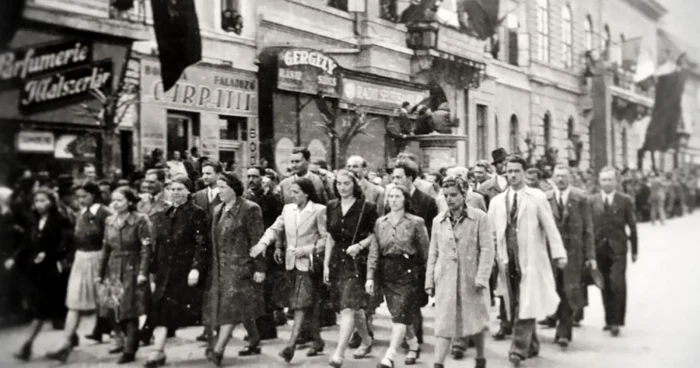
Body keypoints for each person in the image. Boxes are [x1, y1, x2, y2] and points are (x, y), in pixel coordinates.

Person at [487, 156, 567, 367]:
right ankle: (531, 344)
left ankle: (518, 350)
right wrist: (490, 260)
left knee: (527, 301)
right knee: (514, 304)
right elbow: (492, 235)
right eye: (509, 171)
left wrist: (559, 254)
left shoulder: (537, 197)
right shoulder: (497, 202)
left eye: (516, 171)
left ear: (523, 173)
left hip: (530, 260)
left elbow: (550, 227)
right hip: (507, 261)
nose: (512, 175)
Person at [250, 177, 328, 363]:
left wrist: (307, 249)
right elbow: (275, 228)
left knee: (301, 304)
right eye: (291, 192)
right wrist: (262, 243)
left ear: (307, 193)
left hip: (309, 264)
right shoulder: (287, 209)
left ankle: (290, 346)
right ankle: (317, 341)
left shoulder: (318, 210)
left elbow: (326, 239)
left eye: (296, 192)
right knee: (305, 304)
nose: (292, 196)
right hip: (291, 264)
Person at [426, 176, 494, 368]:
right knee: (444, 322)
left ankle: (480, 357)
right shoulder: (438, 221)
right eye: (446, 195)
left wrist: (481, 277)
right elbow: (433, 252)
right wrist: (429, 280)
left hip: (471, 278)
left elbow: (487, 250)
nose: (449, 199)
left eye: (454, 195)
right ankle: (438, 363)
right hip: (446, 279)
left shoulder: (480, 218)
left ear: (464, 194)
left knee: (476, 320)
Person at [144, 175, 207, 367]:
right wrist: (152, 268)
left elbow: (201, 244)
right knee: (161, 309)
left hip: (184, 270)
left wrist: (196, 268)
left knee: (196, 311)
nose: (176, 193)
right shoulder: (166, 213)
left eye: (180, 189)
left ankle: (214, 344)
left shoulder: (197, 213)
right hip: (165, 271)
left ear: (188, 192)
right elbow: (159, 243)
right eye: (173, 189)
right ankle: (158, 351)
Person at [46, 182, 113, 363]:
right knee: (74, 302)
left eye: (84, 196)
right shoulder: (79, 214)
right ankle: (66, 343)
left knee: (107, 301)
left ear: (94, 195)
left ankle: (125, 339)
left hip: (99, 259)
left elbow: (112, 239)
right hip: (81, 260)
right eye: (79, 197)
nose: (81, 200)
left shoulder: (105, 213)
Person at [205, 172, 266, 366]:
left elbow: (258, 240)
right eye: (218, 187)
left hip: (241, 267)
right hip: (221, 269)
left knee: (230, 310)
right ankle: (254, 339)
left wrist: (260, 268)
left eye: (222, 187)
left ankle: (218, 350)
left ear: (234, 188)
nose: (219, 191)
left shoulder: (250, 209)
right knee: (241, 306)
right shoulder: (217, 210)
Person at [366, 185, 429, 368]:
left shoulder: (416, 222)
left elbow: (425, 251)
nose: (393, 200)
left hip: (409, 271)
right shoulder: (380, 222)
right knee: (398, 314)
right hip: (387, 271)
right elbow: (374, 251)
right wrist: (370, 276)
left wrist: (428, 277)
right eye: (390, 196)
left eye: (397, 196)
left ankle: (389, 356)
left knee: (401, 313)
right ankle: (414, 345)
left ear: (405, 199)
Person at [7, 188, 71, 362]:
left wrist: (48, 254)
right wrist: (14, 258)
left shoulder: (60, 220)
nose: (39, 204)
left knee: (42, 311)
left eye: (43, 200)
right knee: (47, 310)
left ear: (51, 201)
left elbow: (65, 245)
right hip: (36, 272)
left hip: (52, 271)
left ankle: (26, 346)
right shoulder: (34, 222)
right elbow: (26, 243)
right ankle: (70, 340)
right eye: (37, 201)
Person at [323, 170, 378, 367]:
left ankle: (339, 353)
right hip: (337, 260)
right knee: (353, 307)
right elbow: (330, 236)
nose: (342, 187)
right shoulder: (332, 206)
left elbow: (375, 235)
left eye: (346, 183)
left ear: (354, 185)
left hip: (357, 261)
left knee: (348, 307)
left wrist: (360, 245)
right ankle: (367, 340)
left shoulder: (367, 207)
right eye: (339, 183)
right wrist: (325, 265)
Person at [97, 186, 153, 364]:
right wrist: (99, 273)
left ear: (130, 202)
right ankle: (124, 341)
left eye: (120, 200)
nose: (115, 203)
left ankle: (130, 349)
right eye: (113, 199)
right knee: (114, 308)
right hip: (113, 268)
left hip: (132, 267)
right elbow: (106, 248)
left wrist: (143, 272)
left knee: (130, 310)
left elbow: (146, 248)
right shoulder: (109, 221)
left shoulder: (141, 220)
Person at [543, 165, 595, 348]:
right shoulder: (546, 198)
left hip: (574, 253)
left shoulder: (581, 198)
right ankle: (557, 321)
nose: (560, 180)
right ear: (552, 178)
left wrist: (590, 256)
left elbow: (588, 229)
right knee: (554, 289)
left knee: (569, 290)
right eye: (557, 176)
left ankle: (564, 331)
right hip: (550, 254)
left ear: (570, 178)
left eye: (564, 176)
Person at [389, 159, 436, 346]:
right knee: (401, 300)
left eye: (399, 177)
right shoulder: (392, 199)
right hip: (396, 259)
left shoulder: (427, 202)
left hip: (416, 260)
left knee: (413, 300)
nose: (395, 181)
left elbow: (432, 233)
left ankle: (414, 336)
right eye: (393, 178)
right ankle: (409, 336)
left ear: (410, 178)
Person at [592, 167, 638, 337]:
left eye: (609, 180)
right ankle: (609, 320)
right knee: (604, 285)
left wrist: (635, 250)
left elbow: (632, 226)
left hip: (618, 249)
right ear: (599, 181)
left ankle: (617, 321)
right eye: (603, 180)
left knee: (617, 283)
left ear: (616, 181)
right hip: (599, 249)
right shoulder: (593, 200)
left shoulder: (625, 200)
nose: (606, 183)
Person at [244, 167, 284, 340]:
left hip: (268, 248)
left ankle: (267, 330)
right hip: (252, 248)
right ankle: (257, 329)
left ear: (263, 179)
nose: (251, 179)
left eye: (255, 176)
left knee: (265, 290)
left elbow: (279, 225)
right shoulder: (247, 198)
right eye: (248, 176)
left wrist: (278, 246)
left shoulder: (272, 199)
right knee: (253, 289)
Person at [192, 160, 223, 343]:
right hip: (204, 247)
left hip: (220, 246)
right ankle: (206, 328)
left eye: (209, 173)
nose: (205, 177)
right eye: (203, 173)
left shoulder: (225, 194)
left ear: (218, 174)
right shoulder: (198, 196)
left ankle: (218, 328)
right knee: (205, 290)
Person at [0, 187, 22, 326]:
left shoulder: (11, 212)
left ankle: (12, 312)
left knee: (11, 283)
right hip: (3, 252)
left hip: (12, 251)